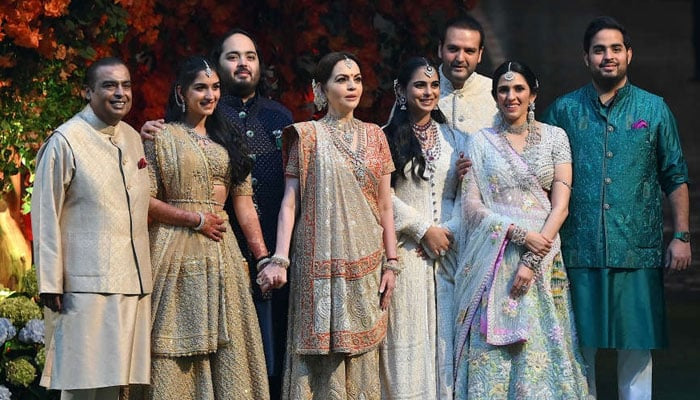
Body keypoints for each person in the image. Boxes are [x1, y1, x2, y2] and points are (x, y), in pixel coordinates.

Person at [542, 16, 691, 400]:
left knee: (636, 352)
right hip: (578, 249)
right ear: (586, 58)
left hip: (636, 249)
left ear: (629, 54)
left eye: (615, 49)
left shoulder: (654, 109)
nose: (607, 57)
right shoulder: (563, 111)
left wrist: (681, 236)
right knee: (578, 352)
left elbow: (674, 175)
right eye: (599, 50)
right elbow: (539, 176)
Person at [142, 30, 292, 399]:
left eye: (213, 88)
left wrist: (262, 258)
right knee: (173, 343)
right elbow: (142, 200)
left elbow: (244, 204)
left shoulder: (228, 138)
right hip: (172, 252)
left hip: (223, 255)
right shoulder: (160, 137)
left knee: (230, 349)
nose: (209, 95)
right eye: (200, 88)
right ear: (181, 92)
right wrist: (194, 220)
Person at [258, 51, 398, 399]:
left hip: (366, 262)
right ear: (320, 89)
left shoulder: (376, 135)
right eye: (341, 79)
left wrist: (392, 263)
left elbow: (385, 205)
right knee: (317, 357)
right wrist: (280, 257)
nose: (352, 86)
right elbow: (290, 202)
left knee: (362, 356)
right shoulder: (305, 137)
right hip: (316, 264)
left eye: (357, 79)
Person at [453, 61, 589, 399]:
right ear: (495, 95)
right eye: (503, 90)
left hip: (542, 256)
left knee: (544, 343)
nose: (511, 96)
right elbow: (472, 207)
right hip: (495, 258)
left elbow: (561, 206)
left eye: (518, 89)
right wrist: (515, 233)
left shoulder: (555, 138)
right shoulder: (480, 142)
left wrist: (531, 258)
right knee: (494, 352)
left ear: (533, 94)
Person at [32, 57, 152, 400]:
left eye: (126, 85)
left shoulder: (131, 137)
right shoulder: (66, 139)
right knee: (82, 385)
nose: (120, 93)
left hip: (133, 282)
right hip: (83, 285)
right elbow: (45, 213)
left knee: (122, 386)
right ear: (88, 91)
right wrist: (50, 281)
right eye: (109, 85)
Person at [381, 57, 464, 400]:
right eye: (419, 85)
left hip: (448, 253)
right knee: (406, 347)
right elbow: (380, 194)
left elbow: (469, 193)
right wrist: (421, 229)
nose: (429, 92)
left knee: (447, 347)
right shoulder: (384, 139)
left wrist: (447, 232)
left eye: (434, 86)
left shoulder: (457, 138)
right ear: (401, 91)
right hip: (407, 254)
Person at [437, 15, 498, 135]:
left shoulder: (496, 93)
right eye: (453, 49)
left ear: (480, 54)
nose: (460, 58)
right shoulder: (419, 91)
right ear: (440, 49)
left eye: (469, 51)